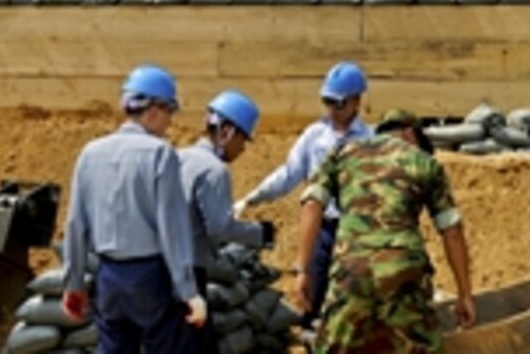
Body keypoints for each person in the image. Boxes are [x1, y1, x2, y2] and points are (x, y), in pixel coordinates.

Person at [295, 108, 476, 352]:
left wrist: (303, 270)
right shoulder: (424, 161)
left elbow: (312, 204)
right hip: (403, 274)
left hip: (351, 271)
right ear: (410, 133)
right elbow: (451, 231)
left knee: (333, 347)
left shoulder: (342, 153)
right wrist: (465, 295)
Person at [62, 65, 206, 353]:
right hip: (149, 277)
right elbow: (172, 229)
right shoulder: (161, 154)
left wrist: (73, 282)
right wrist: (189, 291)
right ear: (153, 110)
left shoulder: (91, 153)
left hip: (109, 277)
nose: (170, 123)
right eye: (170, 112)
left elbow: (76, 225)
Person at [233, 61, 373, 327]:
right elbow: (288, 175)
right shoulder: (315, 137)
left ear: (357, 101)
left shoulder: (370, 140)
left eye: (338, 103)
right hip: (322, 231)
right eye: (327, 102)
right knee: (310, 297)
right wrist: (253, 198)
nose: (332, 110)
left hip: (358, 234)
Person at [178, 90, 275, 354]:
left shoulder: (177, 157)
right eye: (243, 139)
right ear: (228, 131)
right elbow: (219, 228)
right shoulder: (214, 170)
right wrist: (260, 234)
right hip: (189, 272)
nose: (242, 149)